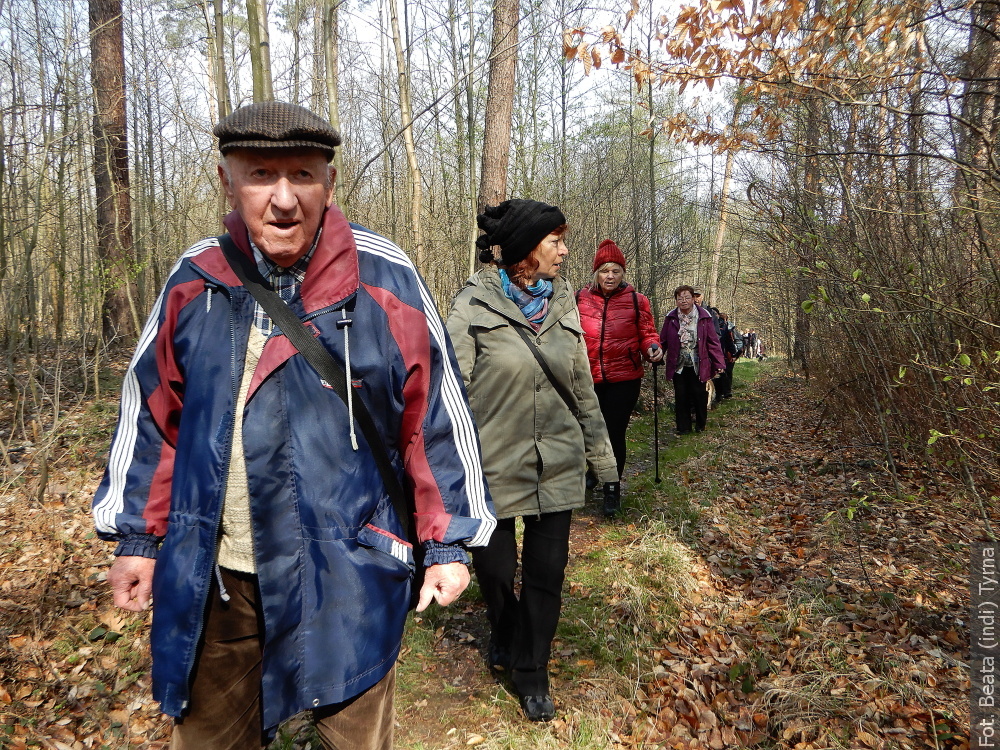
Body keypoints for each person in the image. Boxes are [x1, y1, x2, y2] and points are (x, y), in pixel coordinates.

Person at [91, 102, 496, 750]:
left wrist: (447, 543)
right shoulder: (197, 279)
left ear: (329, 184)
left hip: (348, 570)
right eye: (260, 174)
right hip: (218, 578)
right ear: (227, 182)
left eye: (302, 175)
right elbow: (152, 418)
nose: (283, 198)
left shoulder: (383, 274)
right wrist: (137, 536)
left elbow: (435, 414)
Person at [446, 200, 617, 722]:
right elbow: (448, 391)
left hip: (559, 462)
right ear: (525, 251)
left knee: (547, 573)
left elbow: (582, 390)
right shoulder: (473, 306)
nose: (566, 251)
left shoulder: (567, 304)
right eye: (556, 242)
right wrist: (446, 471)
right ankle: (503, 628)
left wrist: (604, 465)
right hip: (493, 466)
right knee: (497, 571)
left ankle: (533, 669)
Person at [575, 239, 662, 513]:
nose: (610, 276)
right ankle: (592, 472)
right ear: (595, 273)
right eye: (604, 271)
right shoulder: (580, 298)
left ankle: (612, 487)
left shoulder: (638, 301)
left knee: (614, 434)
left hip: (624, 379)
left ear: (623, 273)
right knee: (586, 433)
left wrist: (653, 349)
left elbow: (647, 333)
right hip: (586, 378)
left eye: (615, 271)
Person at [660, 285, 725, 434]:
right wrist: (656, 355)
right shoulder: (671, 318)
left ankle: (700, 425)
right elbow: (663, 340)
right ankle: (683, 428)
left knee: (699, 394)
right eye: (680, 298)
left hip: (699, 362)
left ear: (693, 299)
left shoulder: (704, 316)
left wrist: (719, 362)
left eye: (687, 297)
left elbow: (713, 342)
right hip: (678, 363)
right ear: (676, 300)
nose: (684, 301)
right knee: (681, 395)